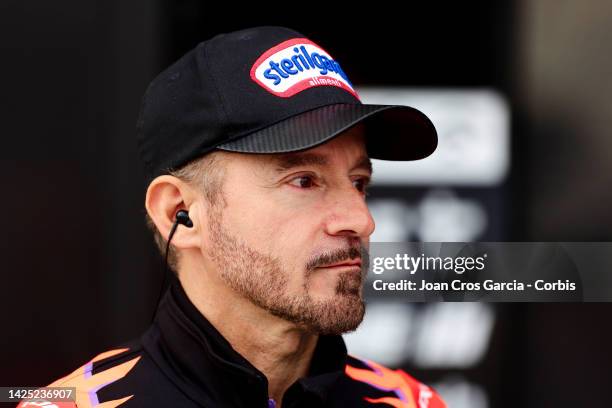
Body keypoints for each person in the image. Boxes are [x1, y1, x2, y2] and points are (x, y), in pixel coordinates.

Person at [21, 26, 445, 408]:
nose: (361, 220)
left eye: (358, 182)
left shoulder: (410, 401)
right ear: (180, 213)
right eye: (303, 181)